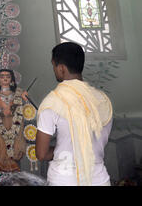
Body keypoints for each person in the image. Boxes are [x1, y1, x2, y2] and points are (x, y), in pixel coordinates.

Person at [36, 42, 113, 186]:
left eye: (54, 66)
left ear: (61, 68)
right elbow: (97, 142)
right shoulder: (102, 100)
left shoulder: (53, 101)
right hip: (99, 179)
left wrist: (62, 149)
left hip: (63, 180)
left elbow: (41, 153)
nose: (54, 70)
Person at [0, 69, 29, 172]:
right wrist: (2, 108)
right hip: (0, 124)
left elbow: (24, 109)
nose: (5, 78)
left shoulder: (18, 92)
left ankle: (13, 164)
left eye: (8, 76)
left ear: (12, 79)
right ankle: (1, 162)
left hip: (14, 123)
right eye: (2, 76)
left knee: (15, 144)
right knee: (0, 143)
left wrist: (24, 98)